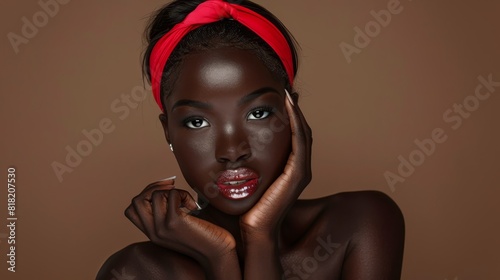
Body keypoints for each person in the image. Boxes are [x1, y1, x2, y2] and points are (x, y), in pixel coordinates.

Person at [96, 0, 405, 279]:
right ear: (169, 132)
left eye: (257, 114)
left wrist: (261, 235)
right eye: (197, 121)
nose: (232, 151)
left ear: (292, 114)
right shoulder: (137, 272)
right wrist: (219, 256)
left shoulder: (358, 226)